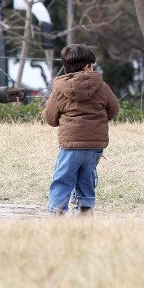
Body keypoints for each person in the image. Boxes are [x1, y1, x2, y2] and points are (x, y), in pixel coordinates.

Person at [44, 44, 120, 215]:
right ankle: (85, 210)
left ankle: (57, 211)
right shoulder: (102, 87)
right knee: (87, 178)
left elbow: (50, 117)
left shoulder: (59, 90)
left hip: (70, 146)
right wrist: (97, 120)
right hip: (95, 146)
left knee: (63, 178)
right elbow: (114, 109)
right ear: (87, 67)